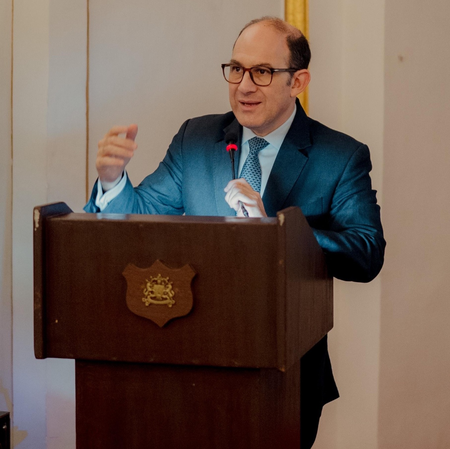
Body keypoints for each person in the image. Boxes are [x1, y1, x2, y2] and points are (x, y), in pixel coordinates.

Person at [85, 16, 385, 448]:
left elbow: (366, 252)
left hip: (285, 375)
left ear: (298, 82)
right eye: (236, 69)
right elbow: (139, 219)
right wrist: (113, 182)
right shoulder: (196, 138)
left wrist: (276, 231)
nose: (244, 86)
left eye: (262, 72)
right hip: (189, 364)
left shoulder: (339, 155)